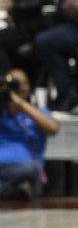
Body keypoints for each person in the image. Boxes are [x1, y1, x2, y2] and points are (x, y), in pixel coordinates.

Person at [0, 68, 59, 200]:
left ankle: (10, 191)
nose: (18, 87)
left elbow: (53, 128)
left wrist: (21, 104)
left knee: (32, 168)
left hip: (25, 168)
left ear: (29, 87)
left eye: (22, 83)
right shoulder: (2, 113)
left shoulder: (38, 111)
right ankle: (9, 191)